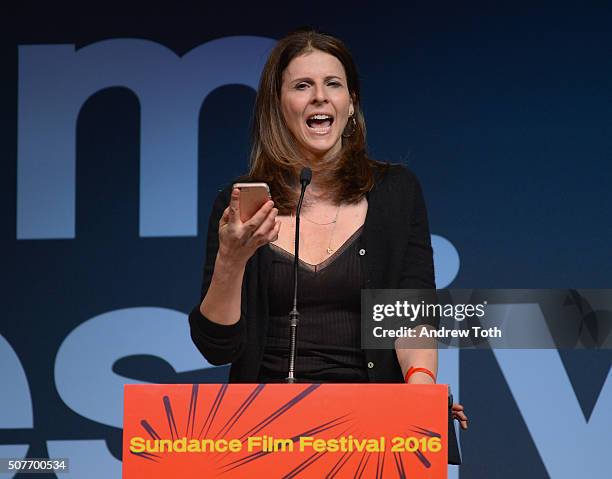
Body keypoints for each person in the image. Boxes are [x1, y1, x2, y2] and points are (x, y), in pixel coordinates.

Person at [188, 28, 467, 431]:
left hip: (370, 430)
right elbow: (217, 347)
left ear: (350, 103)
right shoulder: (241, 207)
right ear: (279, 105)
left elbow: (411, 316)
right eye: (303, 86)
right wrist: (232, 259)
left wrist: (421, 388)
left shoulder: (396, 192)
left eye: (333, 84)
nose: (319, 95)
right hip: (261, 429)